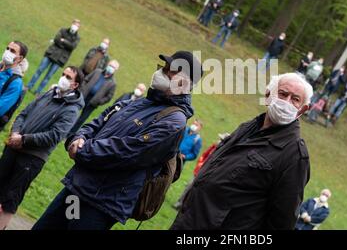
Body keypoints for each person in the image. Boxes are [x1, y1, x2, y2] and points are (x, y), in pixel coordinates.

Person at [32, 51, 203, 230]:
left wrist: (83, 150)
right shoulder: (138, 103)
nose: (160, 73)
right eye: (164, 68)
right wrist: (78, 138)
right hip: (78, 188)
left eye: (170, 70)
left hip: (102, 203)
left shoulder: (174, 122)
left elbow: (128, 152)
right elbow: (99, 122)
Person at [171, 73, 313, 230]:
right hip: (189, 221)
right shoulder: (248, 127)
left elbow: (281, 223)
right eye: (283, 94)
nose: (286, 102)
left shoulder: (294, 155)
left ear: (303, 109)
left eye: (295, 99)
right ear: (267, 96)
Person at [0, 66, 84, 230]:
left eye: (68, 77)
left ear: (75, 85)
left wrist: (24, 140)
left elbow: (55, 135)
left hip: (31, 158)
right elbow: (24, 113)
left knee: (11, 198)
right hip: (14, 147)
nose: (63, 78)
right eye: (63, 74)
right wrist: (16, 132)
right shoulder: (49, 93)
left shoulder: (72, 109)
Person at [173, 133, 229, 211]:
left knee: (198, 192)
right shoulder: (214, 147)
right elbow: (204, 155)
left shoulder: (225, 153)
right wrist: (200, 164)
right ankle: (179, 204)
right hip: (199, 171)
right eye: (220, 139)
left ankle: (187, 208)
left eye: (222, 140)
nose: (219, 140)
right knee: (189, 186)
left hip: (209, 175)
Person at [27, 19, 81, 95]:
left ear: (79, 27)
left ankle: (38, 92)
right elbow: (57, 39)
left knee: (48, 76)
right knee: (40, 70)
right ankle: (29, 86)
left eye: (77, 26)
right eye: (74, 24)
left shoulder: (77, 38)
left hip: (60, 59)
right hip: (51, 53)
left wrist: (63, 41)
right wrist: (65, 44)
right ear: (72, 23)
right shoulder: (63, 30)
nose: (75, 26)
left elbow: (72, 46)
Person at [69, 60, 120, 135]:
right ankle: (65, 127)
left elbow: (109, 97)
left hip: (93, 103)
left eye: (113, 67)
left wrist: (99, 101)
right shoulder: (97, 71)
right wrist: (82, 90)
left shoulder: (113, 83)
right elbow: (85, 79)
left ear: (115, 70)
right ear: (107, 64)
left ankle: (70, 134)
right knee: (73, 112)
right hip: (83, 96)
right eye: (110, 65)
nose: (111, 68)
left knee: (81, 119)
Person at [0, 41, 28, 128]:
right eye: (7, 48)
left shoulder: (16, 83)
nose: (7, 52)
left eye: (12, 51)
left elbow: (1, 108)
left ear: (19, 59)